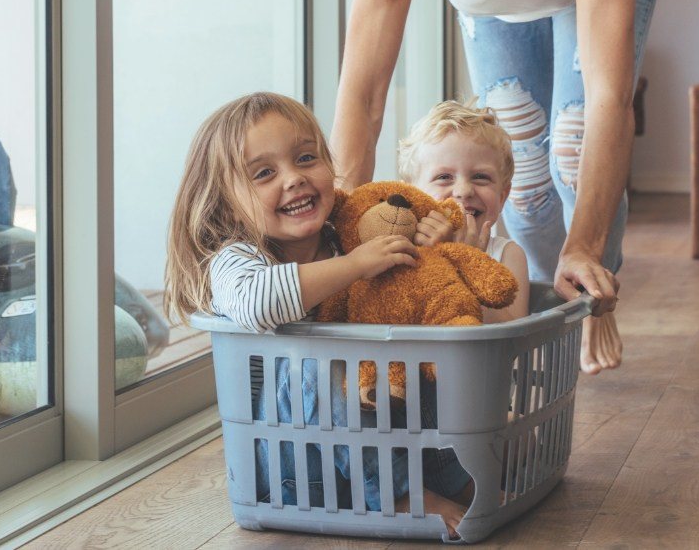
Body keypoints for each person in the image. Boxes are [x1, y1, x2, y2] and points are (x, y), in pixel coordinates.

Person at [331, 0, 664, 374]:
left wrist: (585, 244)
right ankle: (543, 309)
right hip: (499, 3)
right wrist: (337, 231)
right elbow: (363, 94)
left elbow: (611, 99)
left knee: (570, 141)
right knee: (525, 178)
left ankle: (592, 288)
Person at [164, 91, 472, 537]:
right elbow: (257, 303)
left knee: (414, 359)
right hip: (297, 473)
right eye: (264, 173)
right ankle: (400, 494)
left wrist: (431, 246)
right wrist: (357, 265)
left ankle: (453, 480)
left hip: (375, 453)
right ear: (225, 202)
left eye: (306, 158)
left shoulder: (347, 236)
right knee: (317, 359)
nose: (294, 179)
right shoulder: (237, 259)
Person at [398, 99, 531, 322]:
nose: (463, 191)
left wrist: (463, 261)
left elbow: (512, 332)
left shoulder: (507, 255)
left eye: (480, 177)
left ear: (502, 196)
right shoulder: (401, 247)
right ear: (412, 194)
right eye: (444, 177)